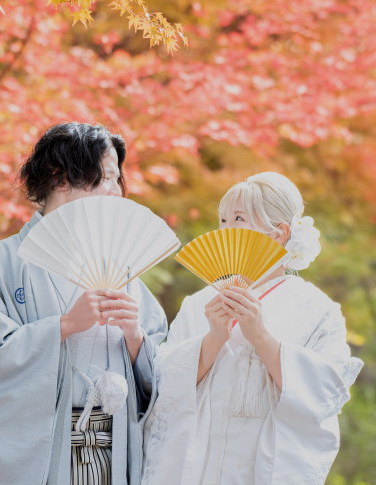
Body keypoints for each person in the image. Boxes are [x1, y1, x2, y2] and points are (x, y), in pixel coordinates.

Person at [0, 122, 167, 485]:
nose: (115, 191)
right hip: (40, 454)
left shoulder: (121, 264)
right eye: (106, 178)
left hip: (112, 449)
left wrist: (135, 338)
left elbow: (162, 363)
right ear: (61, 178)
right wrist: (64, 326)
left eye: (117, 179)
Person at [141, 172, 364, 485]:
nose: (225, 230)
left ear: (279, 233)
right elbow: (164, 385)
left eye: (238, 218)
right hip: (197, 466)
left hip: (260, 467)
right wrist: (213, 338)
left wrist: (261, 337)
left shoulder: (317, 311)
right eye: (222, 220)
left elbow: (324, 395)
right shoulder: (199, 303)